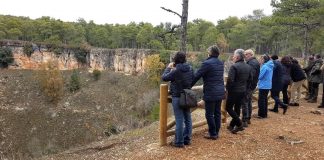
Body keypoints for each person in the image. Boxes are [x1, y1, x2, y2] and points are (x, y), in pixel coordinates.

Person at [192, 45, 225, 140]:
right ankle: (216, 132)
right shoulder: (220, 62)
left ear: (210, 53)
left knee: (209, 113)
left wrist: (188, 86)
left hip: (211, 91)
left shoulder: (207, 63)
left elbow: (197, 75)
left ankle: (213, 133)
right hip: (220, 91)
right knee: (217, 112)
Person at [162, 51, 194, 148]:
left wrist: (168, 68)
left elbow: (164, 78)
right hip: (187, 95)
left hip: (177, 96)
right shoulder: (190, 68)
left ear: (175, 60)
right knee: (188, 118)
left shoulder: (176, 71)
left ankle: (179, 142)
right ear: (184, 59)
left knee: (179, 119)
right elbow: (193, 79)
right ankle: (187, 139)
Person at [226, 49, 252, 134]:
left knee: (228, 108)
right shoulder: (248, 66)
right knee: (237, 109)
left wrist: (228, 90)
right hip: (243, 91)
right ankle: (231, 125)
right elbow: (250, 80)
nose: (233, 57)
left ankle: (239, 124)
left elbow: (230, 80)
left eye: (233, 56)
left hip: (234, 91)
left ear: (237, 57)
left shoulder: (234, 66)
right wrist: (246, 88)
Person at [241, 49, 260, 127]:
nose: (244, 56)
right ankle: (248, 118)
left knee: (245, 102)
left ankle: (245, 120)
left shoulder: (252, 63)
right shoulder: (254, 62)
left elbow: (250, 76)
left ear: (250, 54)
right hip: (252, 85)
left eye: (246, 54)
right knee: (248, 102)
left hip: (248, 86)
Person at [257, 54, 274, 118]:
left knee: (261, 100)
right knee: (265, 99)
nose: (260, 60)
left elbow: (260, 76)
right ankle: (265, 113)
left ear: (264, 60)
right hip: (268, 85)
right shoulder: (270, 66)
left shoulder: (265, 66)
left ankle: (261, 114)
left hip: (263, 85)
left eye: (261, 59)